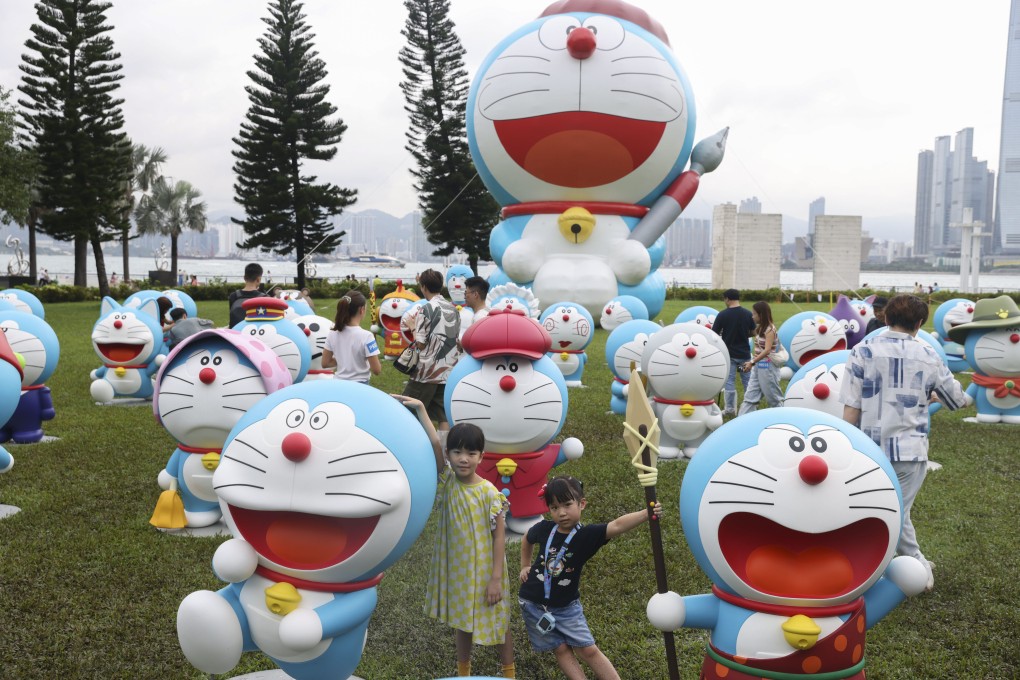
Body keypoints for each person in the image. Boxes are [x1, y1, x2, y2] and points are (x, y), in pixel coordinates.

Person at [839, 294, 968, 592]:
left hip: (869, 447)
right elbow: (957, 400)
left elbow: (851, 408)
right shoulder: (929, 355)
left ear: (885, 318)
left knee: (885, 510)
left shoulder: (862, 350)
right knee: (897, 511)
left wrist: (844, 447)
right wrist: (930, 394)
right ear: (920, 324)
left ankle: (897, 561)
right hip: (910, 450)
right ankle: (916, 564)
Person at [518, 477, 662, 680]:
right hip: (533, 603)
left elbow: (618, 525)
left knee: (588, 650)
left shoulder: (586, 535)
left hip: (566, 607)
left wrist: (647, 513)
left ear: (581, 504)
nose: (561, 513)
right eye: (554, 507)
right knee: (560, 649)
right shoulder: (544, 529)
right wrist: (525, 564)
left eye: (567, 505)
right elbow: (527, 538)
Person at [414, 417, 516, 679]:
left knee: (498, 620)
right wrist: (422, 409)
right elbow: (436, 443)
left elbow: (498, 538)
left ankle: (509, 673)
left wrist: (495, 579)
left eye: (471, 453)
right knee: (463, 621)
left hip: (486, 571)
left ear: (481, 456)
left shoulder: (490, 494)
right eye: (457, 452)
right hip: (459, 570)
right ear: (449, 455)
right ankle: (464, 673)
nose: (463, 459)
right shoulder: (447, 480)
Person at [402, 268, 461, 436]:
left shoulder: (425, 310)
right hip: (448, 371)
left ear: (423, 287)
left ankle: (419, 445)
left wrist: (412, 326)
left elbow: (420, 344)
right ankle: (443, 453)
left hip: (426, 372)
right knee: (443, 416)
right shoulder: (454, 310)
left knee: (408, 410)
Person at [320, 290, 381, 383]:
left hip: (339, 383)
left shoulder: (332, 333)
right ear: (362, 310)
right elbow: (377, 370)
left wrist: (343, 360)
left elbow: (325, 363)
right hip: (360, 386)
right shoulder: (367, 336)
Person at [712, 289, 755, 416]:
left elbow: (714, 333)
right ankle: (750, 408)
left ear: (727, 299)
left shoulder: (723, 315)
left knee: (730, 381)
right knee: (747, 381)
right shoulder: (747, 314)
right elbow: (753, 332)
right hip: (744, 355)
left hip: (729, 354)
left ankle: (730, 409)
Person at [737, 301, 783, 414]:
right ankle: (742, 420)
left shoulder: (770, 329)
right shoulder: (761, 328)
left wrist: (752, 362)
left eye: (754, 314)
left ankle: (782, 416)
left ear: (761, 315)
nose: (752, 317)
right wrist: (754, 363)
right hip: (758, 365)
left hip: (767, 366)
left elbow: (767, 350)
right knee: (750, 395)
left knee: (773, 396)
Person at [228, 263, 264, 327]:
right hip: (254, 334)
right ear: (258, 279)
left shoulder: (234, 296)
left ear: (244, 278)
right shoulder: (264, 298)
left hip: (236, 334)